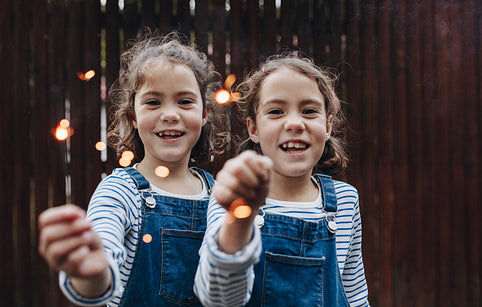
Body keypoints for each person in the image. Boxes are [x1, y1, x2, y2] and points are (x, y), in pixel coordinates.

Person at [38, 31, 224, 306]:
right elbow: (102, 257)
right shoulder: (120, 191)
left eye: (185, 101)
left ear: (204, 113)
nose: (170, 114)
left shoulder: (218, 195)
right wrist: (90, 271)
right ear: (133, 116)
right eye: (153, 102)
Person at [194, 54, 370, 306]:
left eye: (309, 111)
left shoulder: (345, 200)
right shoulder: (234, 201)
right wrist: (239, 221)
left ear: (328, 125)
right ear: (253, 129)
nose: (295, 123)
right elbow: (217, 297)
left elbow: (355, 296)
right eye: (276, 111)